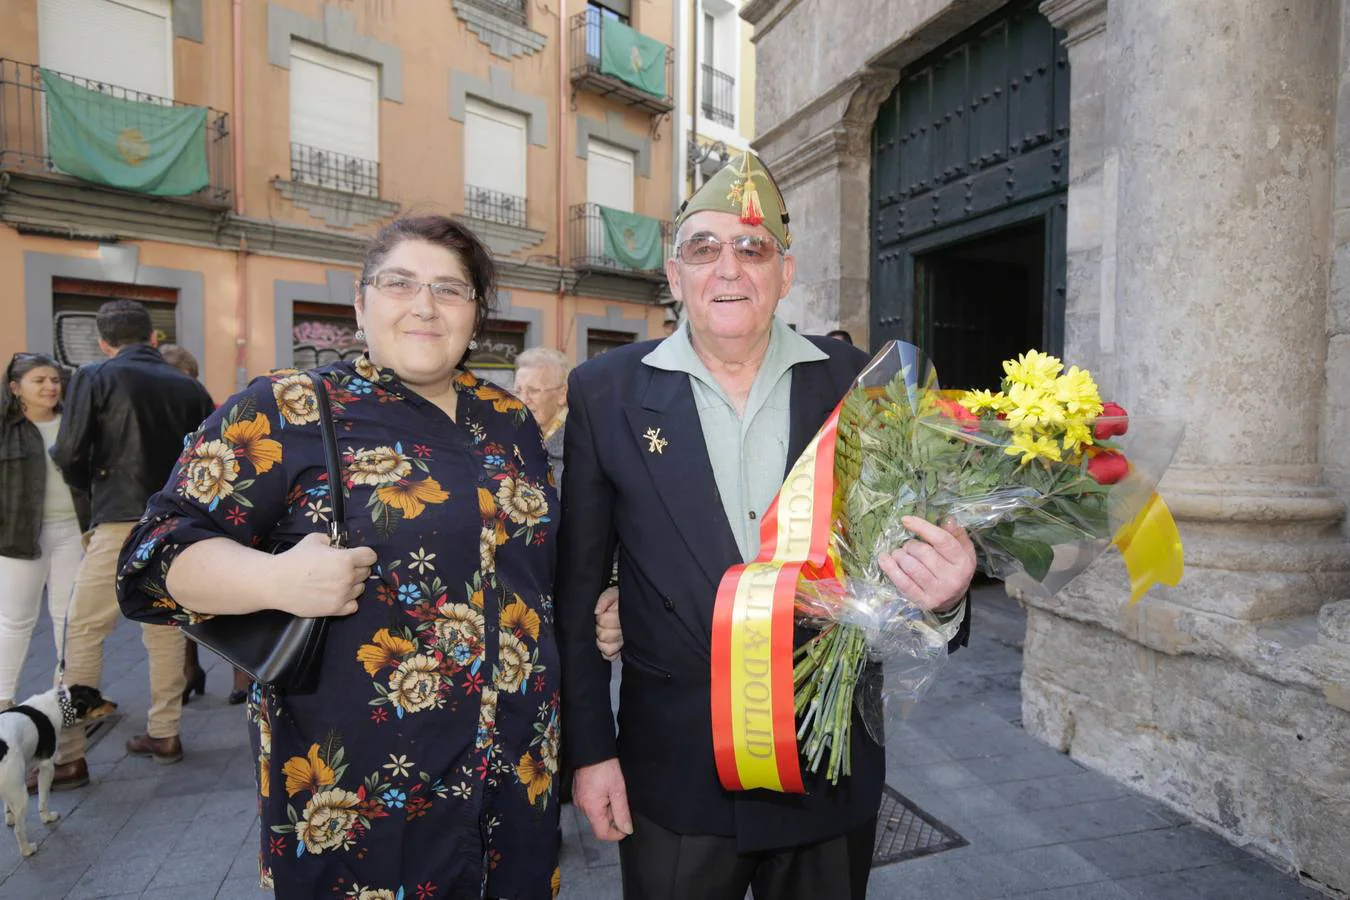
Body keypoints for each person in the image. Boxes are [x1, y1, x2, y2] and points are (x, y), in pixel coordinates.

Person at [556, 152, 976, 900]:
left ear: (785, 272)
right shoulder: (604, 392)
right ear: (674, 270)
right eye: (704, 248)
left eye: (753, 249)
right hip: (675, 771)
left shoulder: (863, 384)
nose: (729, 269)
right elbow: (576, 589)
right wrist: (590, 754)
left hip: (828, 764)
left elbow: (904, 557)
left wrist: (943, 595)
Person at [117, 216, 562, 898]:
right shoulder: (290, 407)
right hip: (361, 795)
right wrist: (273, 578)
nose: (424, 304)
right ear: (360, 304)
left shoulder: (508, 417)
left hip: (515, 776)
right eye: (399, 283)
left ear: (477, 314)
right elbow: (150, 559)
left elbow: (536, 556)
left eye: (451, 288)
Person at [42, 302, 214, 788]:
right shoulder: (190, 386)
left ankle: (70, 755)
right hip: (175, 521)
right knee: (164, 625)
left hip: (118, 514)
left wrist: (92, 495)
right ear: (154, 339)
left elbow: (70, 452)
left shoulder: (95, 376)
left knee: (84, 630)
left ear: (103, 341)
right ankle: (165, 732)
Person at [158, 343, 255, 707]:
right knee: (180, 595)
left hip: (211, 510)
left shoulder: (211, 411)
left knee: (228, 593)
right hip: (178, 510)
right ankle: (192, 669)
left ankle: (238, 672)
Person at [0, 353, 88, 709]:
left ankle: (63, 700)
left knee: (68, 619)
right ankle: (4, 700)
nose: (50, 387)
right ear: (15, 388)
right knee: (15, 621)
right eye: (39, 380)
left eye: (54, 380)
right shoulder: (5, 429)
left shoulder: (73, 423)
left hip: (74, 532)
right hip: (18, 535)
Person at [513, 347, 571, 493]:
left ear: (562, 394)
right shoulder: (511, 442)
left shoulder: (579, 451)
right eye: (518, 391)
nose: (523, 400)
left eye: (533, 391)